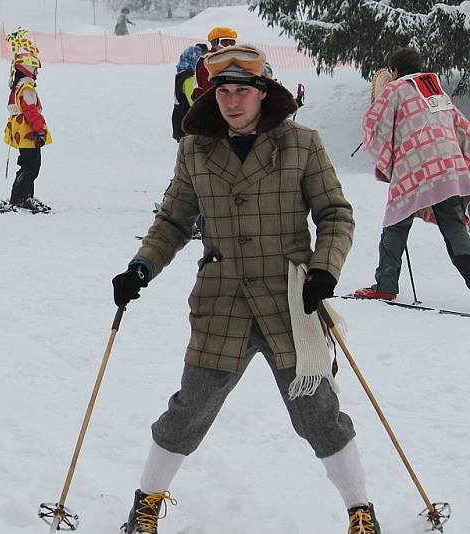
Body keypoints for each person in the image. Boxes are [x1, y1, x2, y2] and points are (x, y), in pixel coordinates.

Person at [113, 46, 380, 534]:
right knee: (189, 409)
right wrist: (140, 267)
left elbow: (336, 214)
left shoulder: (301, 144)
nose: (232, 101)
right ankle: (144, 504)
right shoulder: (195, 148)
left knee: (319, 415)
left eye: (242, 91)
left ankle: (361, 511)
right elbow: (173, 218)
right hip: (223, 302)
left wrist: (324, 270)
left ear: (263, 94)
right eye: (223, 91)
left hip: (291, 302)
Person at [353, 47, 470, 299]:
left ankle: (385, 287)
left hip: (415, 169)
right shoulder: (437, 91)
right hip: (449, 170)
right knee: (455, 229)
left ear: (394, 71)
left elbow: (375, 127)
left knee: (395, 224)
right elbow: (463, 129)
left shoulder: (394, 89)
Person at [2, 28, 52, 212]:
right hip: (29, 134)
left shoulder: (17, 88)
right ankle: (19, 197)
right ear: (28, 69)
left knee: (28, 164)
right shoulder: (27, 90)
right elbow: (32, 113)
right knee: (30, 166)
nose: (37, 73)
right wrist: (40, 131)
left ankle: (25, 196)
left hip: (22, 134)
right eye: (35, 70)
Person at [171, 43, 207, 142]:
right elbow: (195, 102)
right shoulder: (188, 79)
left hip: (181, 122)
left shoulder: (181, 75)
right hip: (187, 127)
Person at [192, 26, 237, 100]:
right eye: (225, 42)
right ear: (214, 43)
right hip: (209, 104)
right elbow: (208, 89)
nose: (229, 46)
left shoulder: (225, 59)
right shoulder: (209, 61)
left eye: (232, 43)